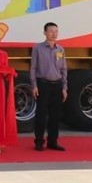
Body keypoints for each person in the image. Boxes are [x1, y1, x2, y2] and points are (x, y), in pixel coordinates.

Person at [30, 22, 68, 151]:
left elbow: (64, 69)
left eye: (56, 31)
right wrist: (34, 85)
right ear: (45, 32)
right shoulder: (38, 48)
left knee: (55, 115)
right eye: (51, 31)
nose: (54, 34)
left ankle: (53, 141)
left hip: (57, 85)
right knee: (41, 114)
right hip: (43, 84)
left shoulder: (60, 49)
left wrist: (64, 87)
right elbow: (33, 68)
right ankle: (39, 141)